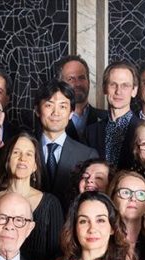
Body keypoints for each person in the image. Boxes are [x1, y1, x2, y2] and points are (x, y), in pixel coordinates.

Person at [0, 131, 64, 260]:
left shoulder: (51, 203)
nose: (22, 159)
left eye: (29, 154)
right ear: (7, 160)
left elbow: (57, 256)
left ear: (35, 165)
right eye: (16, 152)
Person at [35, 80, 99, 211]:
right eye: (49, 105)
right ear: (37, 110)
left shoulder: (87, 155)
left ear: (71, 113)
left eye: (63, 106)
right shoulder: (24, 149)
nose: (56, 113)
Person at [85, 62, 140, 169]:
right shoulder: (90, 132)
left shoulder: (143, 130)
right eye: (113, 84)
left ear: (134, 90)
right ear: (105, 88)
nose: (118, 91)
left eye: (125, 85)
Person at [109, 170, 145, 260]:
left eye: (141, 194)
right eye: (125, 192)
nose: (133, 198)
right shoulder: (100, 241)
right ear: (112, 198)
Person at [55, 55, 106, 141]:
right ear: (60, 85)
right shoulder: (52, 120)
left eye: (81, 78)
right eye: (71, 79)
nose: (77, 84)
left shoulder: (106, 119)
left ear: (89, 82)